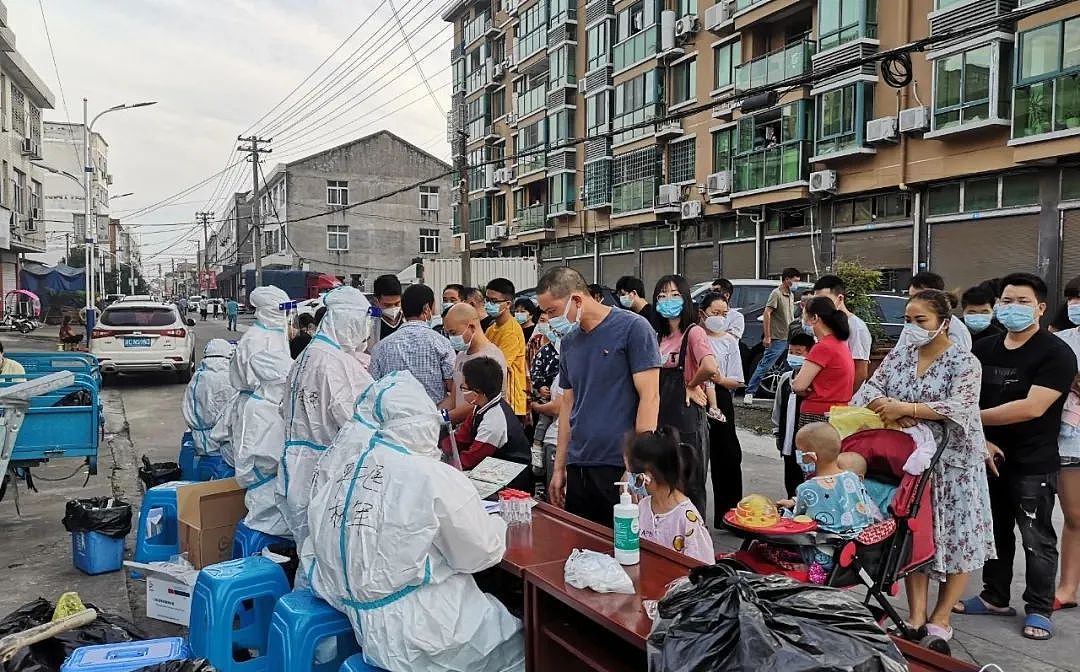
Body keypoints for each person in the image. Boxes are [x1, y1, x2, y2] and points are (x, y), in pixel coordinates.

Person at [303, 372, 524, 672]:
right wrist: (501, 527)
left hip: (360, 613)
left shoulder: (354, 463)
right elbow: (478, 553)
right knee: (519, 645)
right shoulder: (430, 475)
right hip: (420, 629)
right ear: (425, 421)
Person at [852, 289, 994, 643]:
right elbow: (869, 389)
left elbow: (962, 407)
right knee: (915, 535)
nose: (912, 328)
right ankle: (915, 615)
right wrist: (886, 403)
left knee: (959, 540)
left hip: (954, 466)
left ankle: (941, 616)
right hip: (912, 461)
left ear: (944, 323)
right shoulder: (900, 356)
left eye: (921, 321)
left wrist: (907, 409)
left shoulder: (964, 361)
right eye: (907, 321)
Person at [958, 273, 1076, 641]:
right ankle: (994, 596)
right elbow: (965, 395)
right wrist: (980, 438)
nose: (1012, 308)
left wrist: (970, 419)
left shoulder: (1056, 352)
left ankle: (1039, 608)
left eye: (1022, 302)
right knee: (994, 533)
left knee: (1036, 538)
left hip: (1033, 460)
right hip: (988, 456)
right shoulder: (984, 349)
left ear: (1040, 308)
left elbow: (1033, 407)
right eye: (1006, 302)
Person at [537, 267, 661, 525]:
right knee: (581, 546)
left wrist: (635, 467)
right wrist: (560, 466)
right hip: (579, 461)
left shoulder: (633, 328)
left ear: (577, 300)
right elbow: (568, 405)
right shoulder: (570, 342)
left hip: (618, 464)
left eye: (553, 312)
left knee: (621, 549)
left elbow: (650, 398)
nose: (549, 320)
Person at [279, 286, 375, 553]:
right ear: (348, 322)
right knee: (326, 551)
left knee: (309, 549)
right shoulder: (334, 363)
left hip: (297, 466)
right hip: (324, 469)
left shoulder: (307, 355)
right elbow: (355, 421)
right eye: (362, 323)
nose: (365, 331)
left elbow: (283, 409)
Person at [777, 423, 877, 579]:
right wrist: (794, 501)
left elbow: (798, 522)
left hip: (822, 557)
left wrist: (784, 512)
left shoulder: (807, 488)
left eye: (800, 452)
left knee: (767, 545)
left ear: (810, 457)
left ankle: (810, 571)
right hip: (854, 554)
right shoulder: (852, 477)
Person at [653, 274, 718, 516]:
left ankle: (693, 541)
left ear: (686, 299)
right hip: (661, 418)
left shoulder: (694, 333)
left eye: (673, 295)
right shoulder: (658, 336)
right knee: (664, 479)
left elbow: (710, 367)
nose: (667, 300)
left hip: (687, 419)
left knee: (689, 481)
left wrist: (691, 384)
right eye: (661, 296)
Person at [626, 427, 715, 565]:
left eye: (634, 473)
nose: (631, 479)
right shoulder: (643, 507)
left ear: (647, 476)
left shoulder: (687, 519)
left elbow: (703, 571)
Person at [442, 356, 532, 491]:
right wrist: (441, 447)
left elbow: (472, 458)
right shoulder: (480, 407)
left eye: (464, 387)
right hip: (492, 470)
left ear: (478, 392)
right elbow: (462, 437)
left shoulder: (494, 421)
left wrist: (445, 466)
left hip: (512, 482)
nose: (462, 391)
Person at [233, 349, 291, 537]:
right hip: (267, 497)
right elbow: (273, 455)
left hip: (266, 487)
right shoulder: (261, 409)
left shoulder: (266, 403)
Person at [370, 284, 456, 407]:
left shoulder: (380, 347)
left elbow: (373, 387)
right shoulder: (441, 343)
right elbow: (452, 385)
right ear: (427, 308)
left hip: (394, 417)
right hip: (433, 415)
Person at [700, 292, 745, 521]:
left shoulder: (728, 341)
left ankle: (727, 514)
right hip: (696, 392)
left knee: (727, 454)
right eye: (715, 313)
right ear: (702, 313)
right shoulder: (694, 336)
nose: (719, 318)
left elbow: (737, 379)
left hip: (720, 394)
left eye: (724, 314)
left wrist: (718, 380)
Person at [1054, 278, 1080, 611]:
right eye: (1073, 298)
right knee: (1075, 516)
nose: (1075, 304)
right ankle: (1067, 586)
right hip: (1068, 438)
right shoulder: (1060, 342)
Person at [791, 297, 854, 427]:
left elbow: (798, 386)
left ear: (814, 318)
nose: (803, 322)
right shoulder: (840, 344)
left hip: (818, 414)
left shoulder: (822, 347)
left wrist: (803, 386)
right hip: (838, 413)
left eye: (804, 317)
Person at [744, 267, 801, 405]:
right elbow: (767, 313)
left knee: (789, 367)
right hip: (778, 336)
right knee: (765, 364)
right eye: (795, 281)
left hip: (789, 336)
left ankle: (787, 393)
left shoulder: (791, 295)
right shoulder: (776, 293)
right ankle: (750, 392)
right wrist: (768, 336)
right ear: (787, 279)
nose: (797, 284)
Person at [444, 303, 507, 425]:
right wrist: (432, 414)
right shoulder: (461, 355)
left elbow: (478, 404)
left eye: (453, 333)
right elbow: (454, 398)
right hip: (461, 430)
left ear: (471, 327)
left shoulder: (490, 358)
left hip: (483, 431)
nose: (451, 338)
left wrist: (443, 418)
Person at [772, 332, 817, 498]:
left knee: (805, 478)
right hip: (787, 440)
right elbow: (777, 408)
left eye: (799, 353)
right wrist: (777, 432)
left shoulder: (813, 382)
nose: (793, 357)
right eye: (791, 352)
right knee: (790, 476)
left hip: (805, 443)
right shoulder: (785, 378)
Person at [813, 274, 872, 392]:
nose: (820, 306)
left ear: (839, 299)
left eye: (825, 301)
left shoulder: (856, 327)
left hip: (843, 400)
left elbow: (860, 371)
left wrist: (844, 397)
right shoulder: (821, 325)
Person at [182, 339, 235, 457]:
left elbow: (189, 408)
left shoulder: (198, 377)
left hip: (199, 438)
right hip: (222, 445)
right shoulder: (230, 378)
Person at [485, 278, 528, 419]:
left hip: (511, 401)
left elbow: (498, 366)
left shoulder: (511, 331)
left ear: (507, 304)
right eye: (487, 300)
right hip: (496, 398)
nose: (488, 304)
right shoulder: (491, 329)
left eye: (494, 301)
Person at [907, 272, 972, 351]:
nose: (913, 302)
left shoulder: (958, 331)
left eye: (920, 297)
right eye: (911, 297)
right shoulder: (911, 325)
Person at [372, 274, 404, 342]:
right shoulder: (370, 321)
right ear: (376, 301)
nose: (393, 308)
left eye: (397, 303)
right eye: (387, 305)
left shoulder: (407, 318)